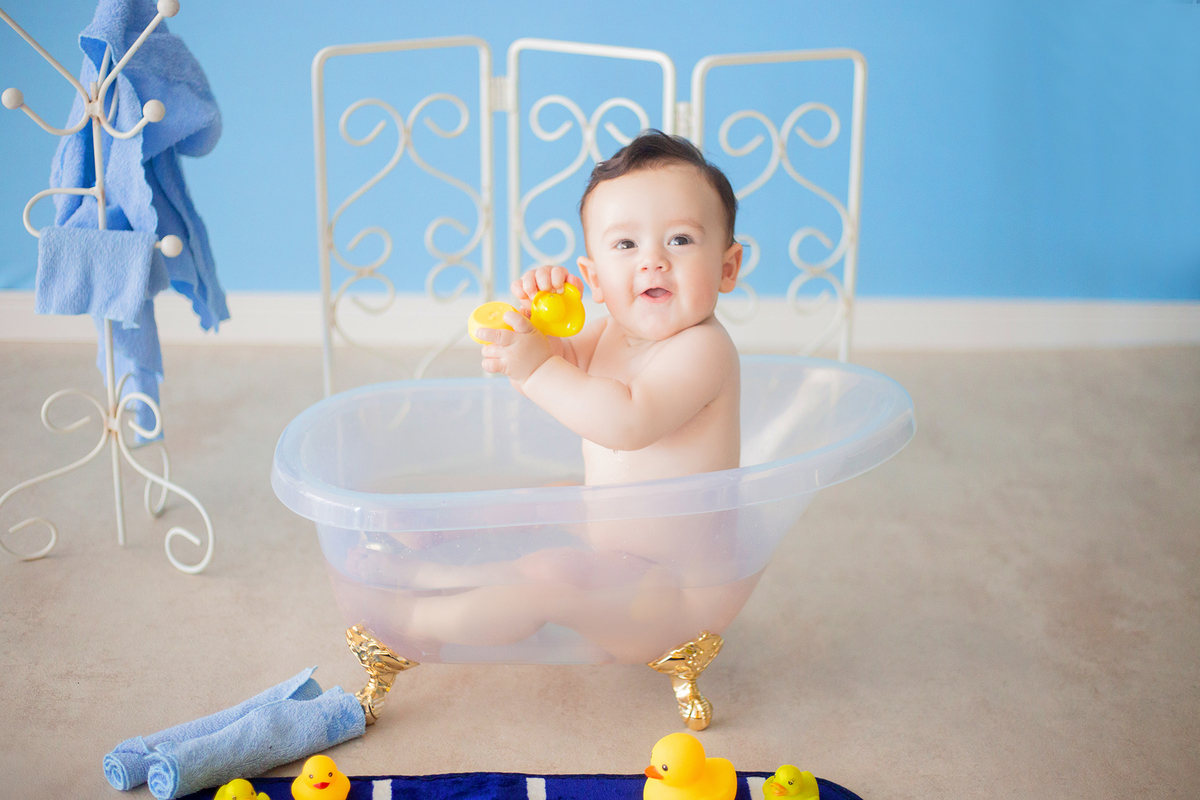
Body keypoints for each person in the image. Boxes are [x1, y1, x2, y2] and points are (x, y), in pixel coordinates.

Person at [359, 131, 757, 663]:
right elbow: (558, 367)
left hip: (670, 594)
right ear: (593, 278)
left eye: (680, 240)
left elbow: (627, 422)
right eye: (625, 245)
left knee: (553, 574)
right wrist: (531, 333)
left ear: (727, 268)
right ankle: (434, 561)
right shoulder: (610, 332)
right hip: (619, 554)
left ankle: (416, 620)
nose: (653, 262)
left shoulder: (704, 350)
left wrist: (537, 367)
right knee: (545, 496)